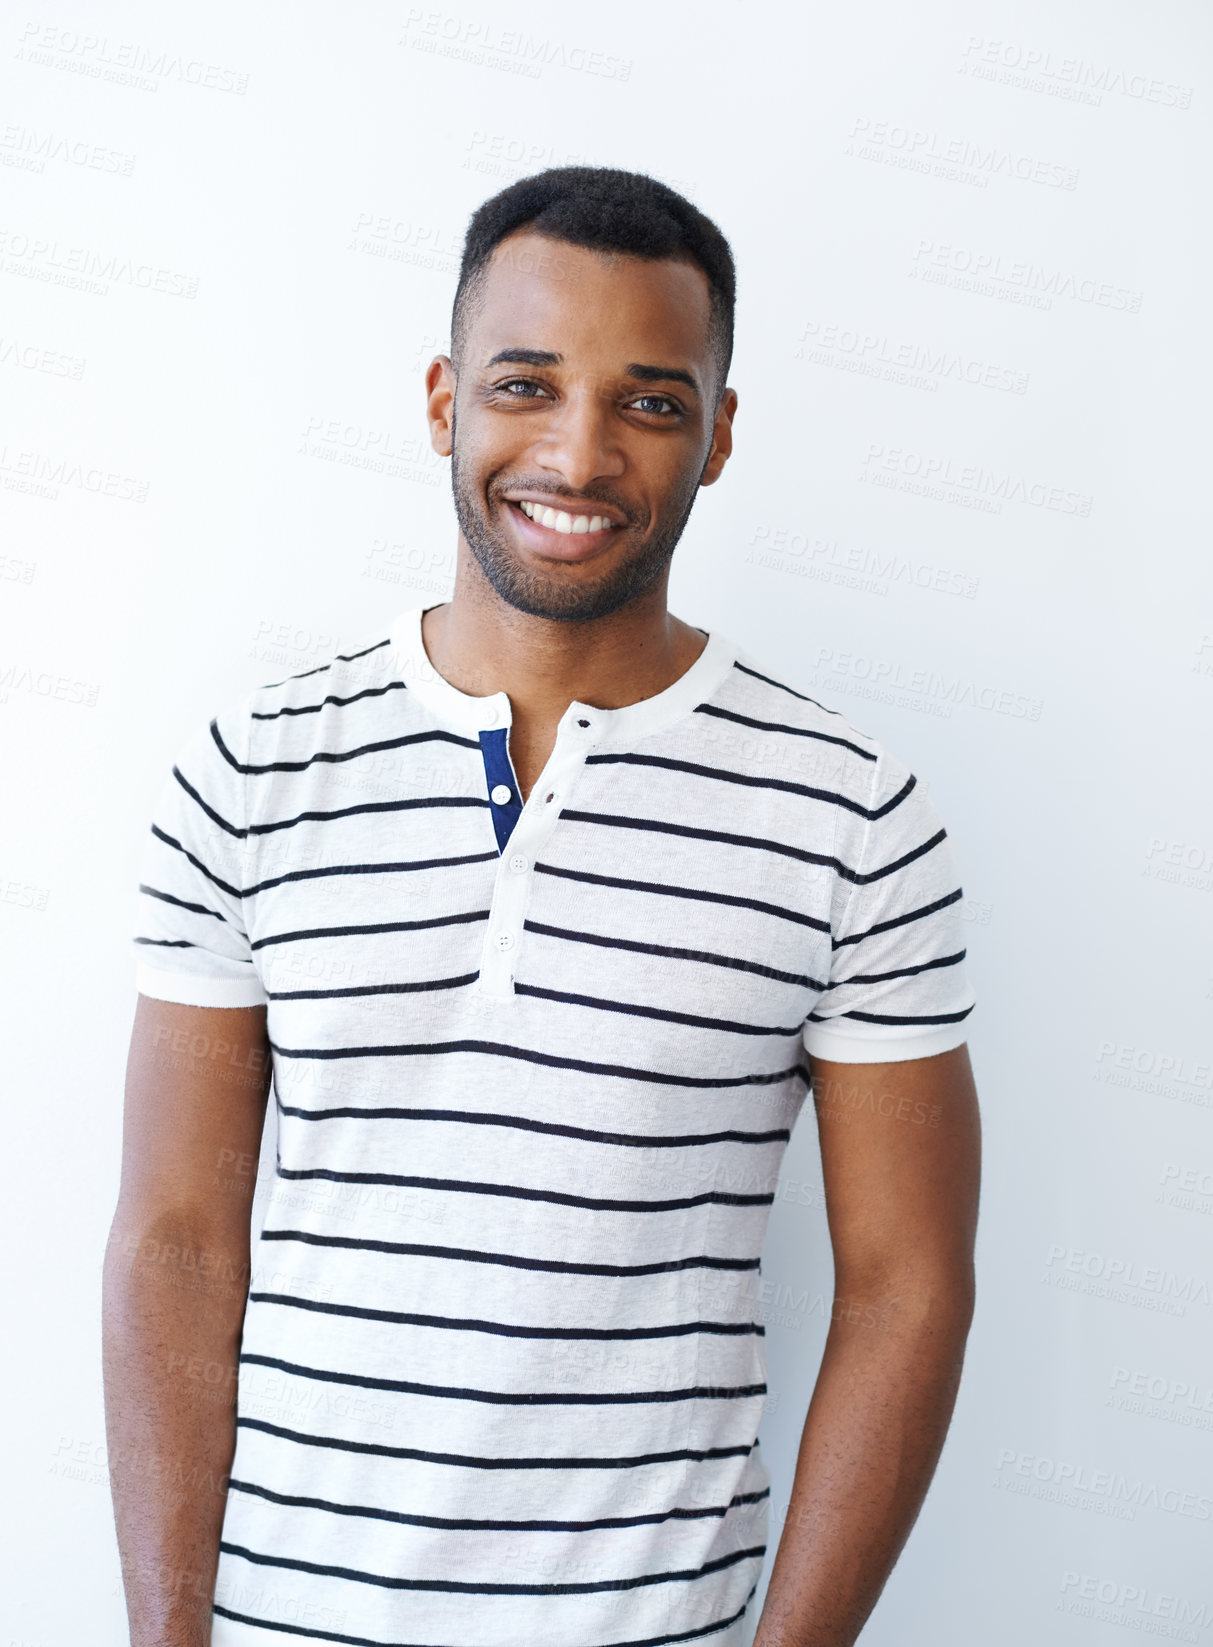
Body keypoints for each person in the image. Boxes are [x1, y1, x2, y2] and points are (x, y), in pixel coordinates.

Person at [103, 166, 980, 1647]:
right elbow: (177, 1242)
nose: (578, 454)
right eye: (527, 384)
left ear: (716, 436)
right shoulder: (253, 768)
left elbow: (907, 1285)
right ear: (444, 398)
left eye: (649, 400)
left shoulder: (851, 812)